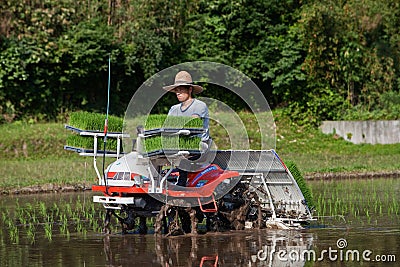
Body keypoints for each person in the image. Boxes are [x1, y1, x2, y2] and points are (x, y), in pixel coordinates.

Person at [162, 70, 209, 186]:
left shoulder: (199, 106)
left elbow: (192, 123)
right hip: (177, 144)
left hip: (198, 145)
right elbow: (166, 127)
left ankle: (182, 183)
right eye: (176, 90)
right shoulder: (174, 109)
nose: (178, 93)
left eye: (181, 89)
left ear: (190, 89)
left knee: (184, 152)